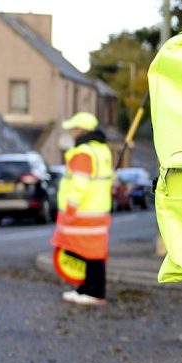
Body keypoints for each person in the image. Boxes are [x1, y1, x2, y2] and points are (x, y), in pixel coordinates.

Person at [51, 112, 113, 306]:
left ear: (81, 130)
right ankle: (86, 289)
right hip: (98, 211)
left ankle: (93, 292)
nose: (72, 132)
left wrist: (71, 207)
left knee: (89, 254)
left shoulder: (83, 152)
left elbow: (80, 183)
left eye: (74, 129)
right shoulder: (102, 150)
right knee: (93, 253)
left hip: (83, 212)